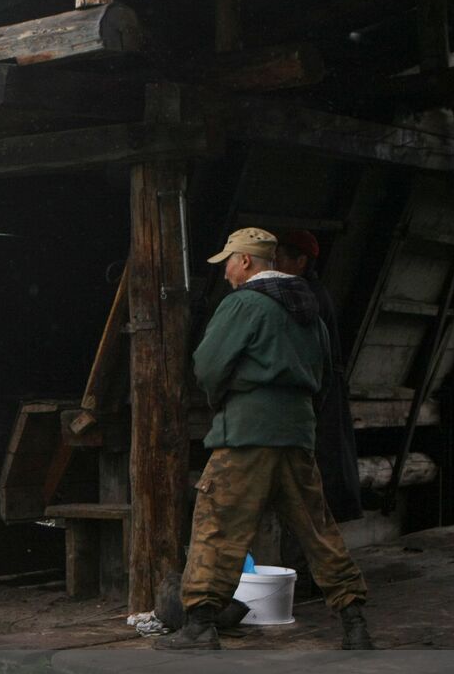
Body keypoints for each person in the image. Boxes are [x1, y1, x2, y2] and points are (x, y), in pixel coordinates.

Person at [157, 228, 373, 650]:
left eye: (229, 263)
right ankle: (355, 623)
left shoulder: (243, 305)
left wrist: (227, 398)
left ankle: (200, 625)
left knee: (217, 523)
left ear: (247, 262)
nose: (225, 274)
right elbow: (326, 375)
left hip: (247, 434)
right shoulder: (310, 307)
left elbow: (208, 365)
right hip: (296, 433)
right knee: (317, 529)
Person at [274, 229, 363, 523]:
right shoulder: (314, 292)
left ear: (300, 261)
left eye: (280, 259)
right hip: (323, 388)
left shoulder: (306, 298)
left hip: (318, 392)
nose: (275, 265)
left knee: (317, 473)